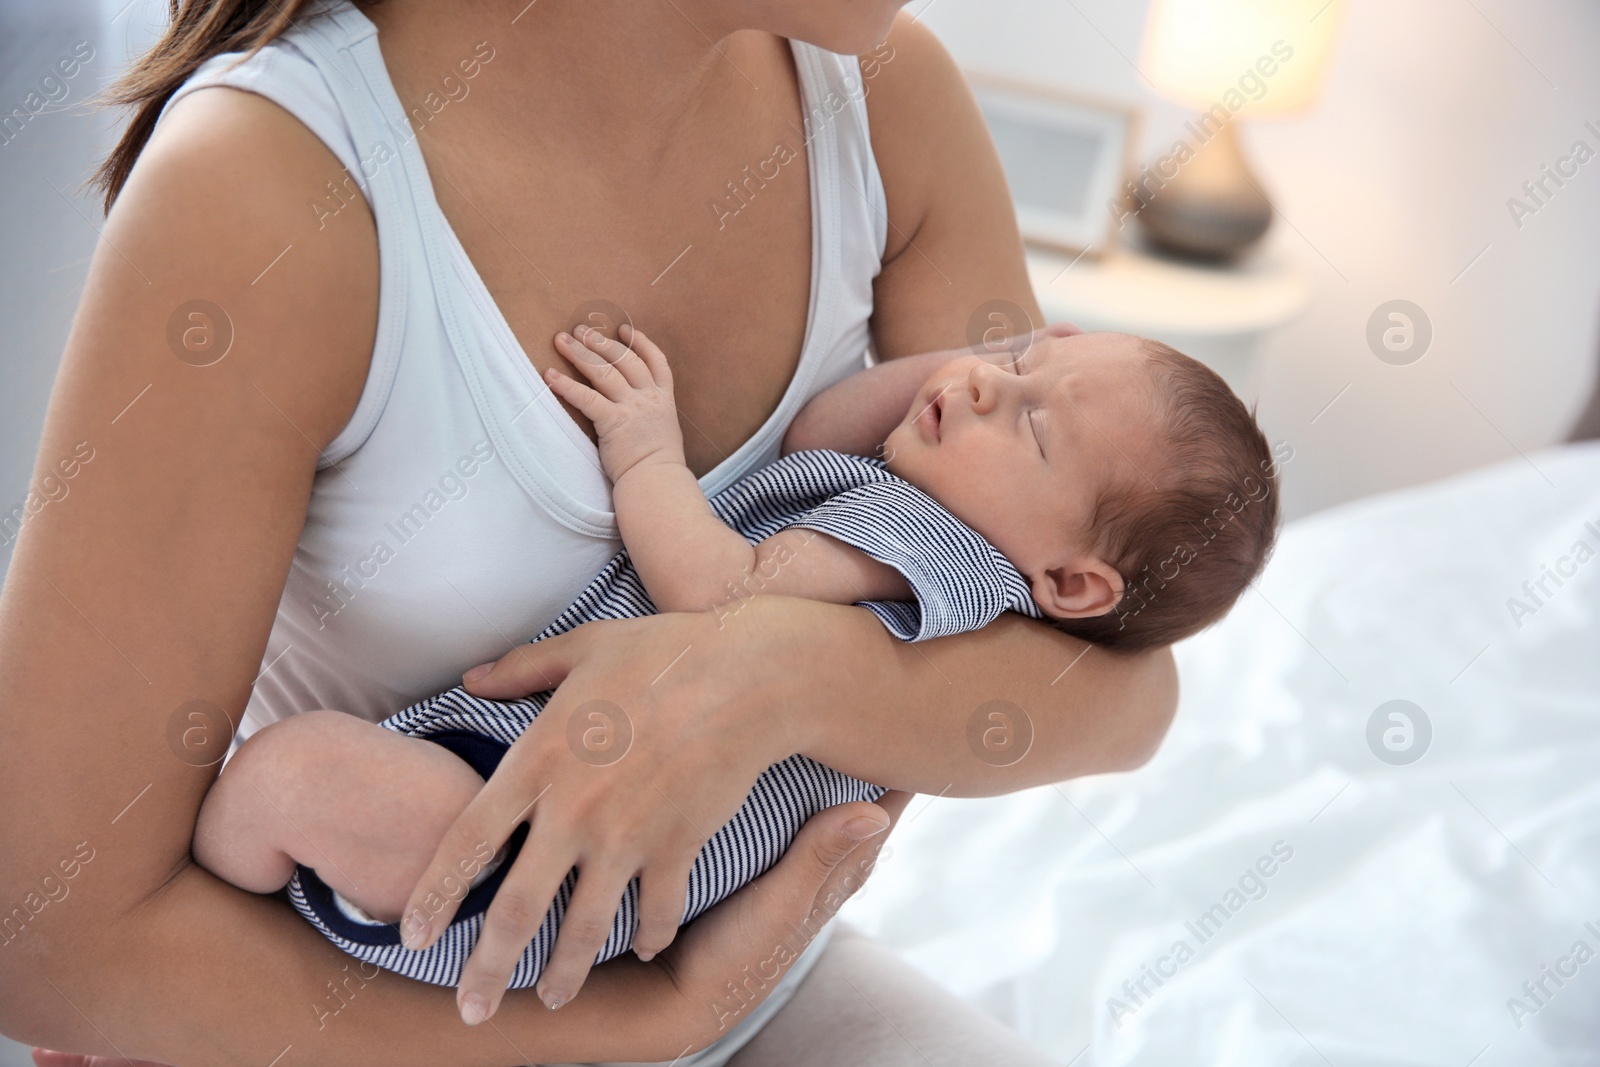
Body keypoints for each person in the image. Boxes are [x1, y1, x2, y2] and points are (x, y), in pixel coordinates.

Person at [0, 0, 1180, 1063]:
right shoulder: (266, 190)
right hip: (379, 1002)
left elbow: (1119, 684)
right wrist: (648, 1020)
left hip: (754, 981)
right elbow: (43, 944)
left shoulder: (882, 95)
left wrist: (773, 676)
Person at [189, 323, 1280, 1007]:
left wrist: (647, 454)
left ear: (1074, 584)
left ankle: (208, 924)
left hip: (547, 847)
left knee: (287, 777)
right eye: (1016, 360)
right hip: (533, 807)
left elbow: (721, 596)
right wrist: (983, 375)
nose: (986, 386)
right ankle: (225, 934)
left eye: (1035, 425)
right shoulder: (905, 511)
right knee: (296, 791)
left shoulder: (946, 561)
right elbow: (818, 430)